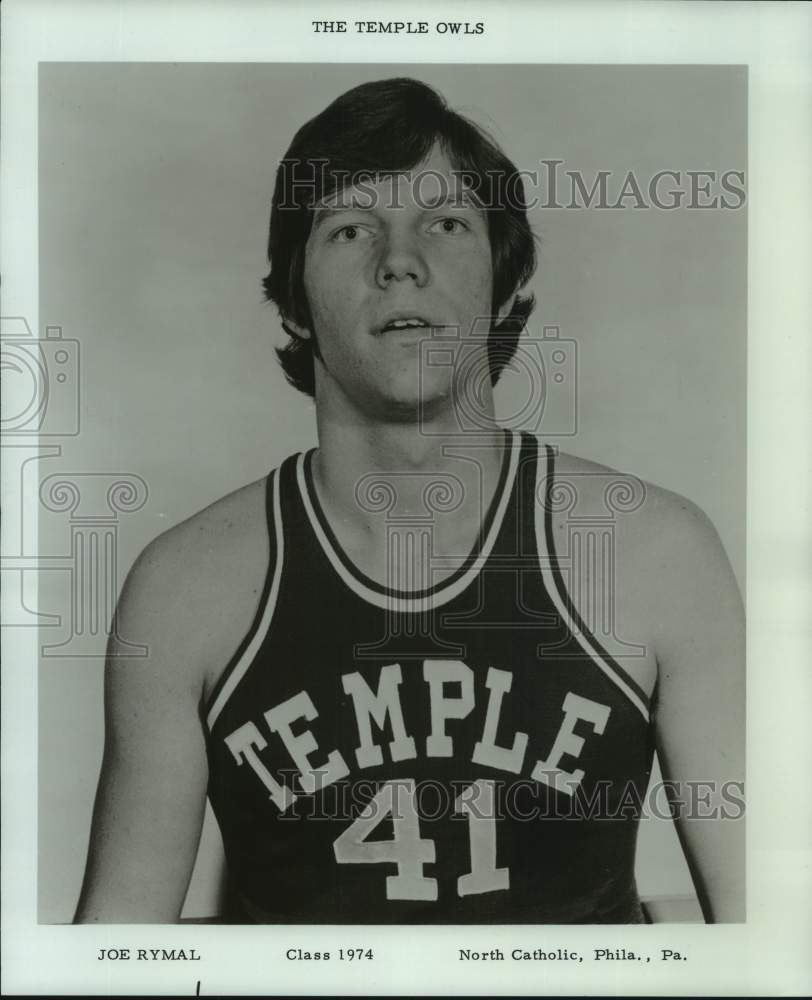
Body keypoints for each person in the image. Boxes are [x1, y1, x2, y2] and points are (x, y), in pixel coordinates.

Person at [74, 77, 744, 924]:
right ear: (293, 303)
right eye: (350, 226)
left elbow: (772, 936)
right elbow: (111, 958)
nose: (399, 260)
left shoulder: (658, 554)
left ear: (504, 288)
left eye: (447, 222)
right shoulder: (182, 591)